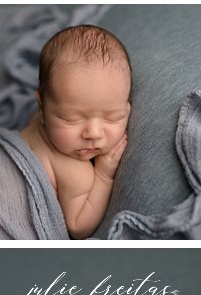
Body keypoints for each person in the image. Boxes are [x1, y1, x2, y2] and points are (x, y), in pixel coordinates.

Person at [20, 25, 131, 238]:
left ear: (127, 108)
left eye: (112, 117)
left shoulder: (42, 122)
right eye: (71, 119)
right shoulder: (75, 171)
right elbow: (78, 227)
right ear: (41, 108)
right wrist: (102, 175)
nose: (93, 133)